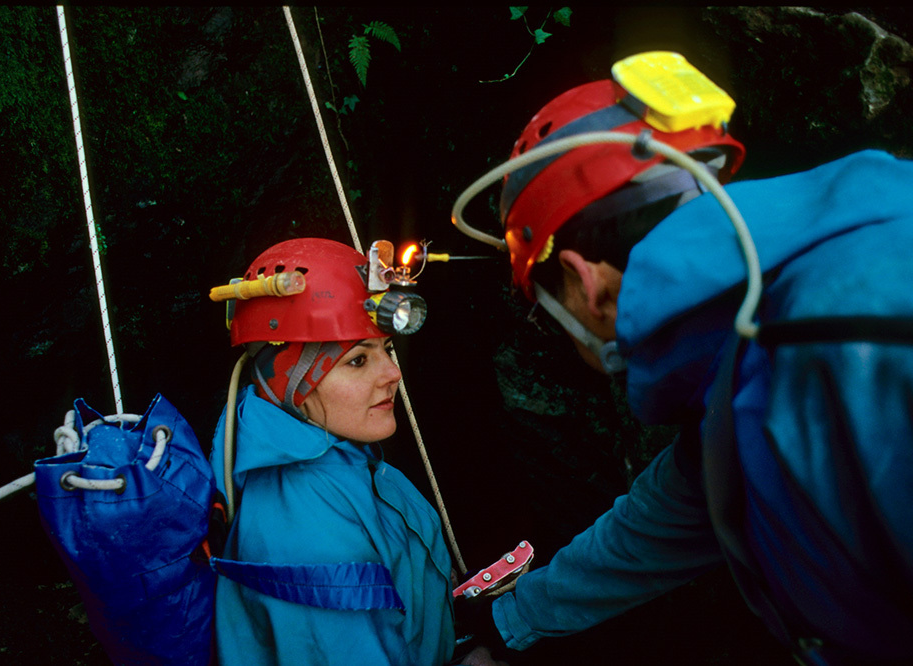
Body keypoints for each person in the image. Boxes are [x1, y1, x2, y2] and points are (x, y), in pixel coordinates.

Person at [454, 52, 913, 664]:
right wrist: (507, 624)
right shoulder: (751, 353)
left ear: (586, 282)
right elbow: (663, 519)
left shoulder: (841, 352)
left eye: (547, 310)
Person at [208, 237, 502, 666]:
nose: (393, 373)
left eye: (387, 348)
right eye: (358, 361)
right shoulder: (306, 539)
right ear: (289, 380)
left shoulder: (337, 456)